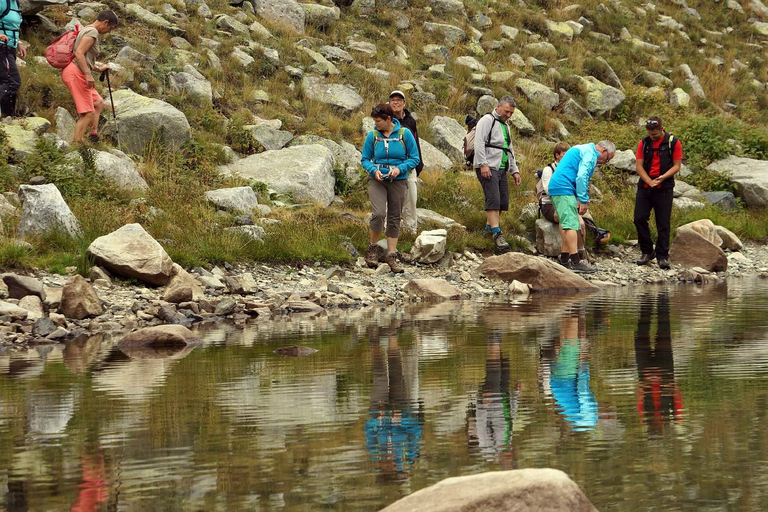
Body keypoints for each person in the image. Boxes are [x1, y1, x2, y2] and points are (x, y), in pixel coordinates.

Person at [361, 103, 420, 273]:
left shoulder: (405, 134)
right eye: (374, 120)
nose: (375, 124)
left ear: (389, 119)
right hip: (377, 179)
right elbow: (365, 159)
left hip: (399, 180)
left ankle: (391, 255)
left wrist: (399, 169)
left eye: (378, 121)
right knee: (379, 213)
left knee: (395, 217)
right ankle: (372, 249)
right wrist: (374, 170)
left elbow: (414, 158)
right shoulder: (372, 136)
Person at [547, 140, 615, 273]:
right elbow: (581, 177)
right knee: (571, 225)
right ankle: (576, 261)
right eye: (607, 159)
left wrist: (578, 198)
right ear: (604, 151)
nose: (604, 162)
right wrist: (583, 200)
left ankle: (565, 260)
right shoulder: (590, 154)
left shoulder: (583, 149)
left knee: (570, 222)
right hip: (563, 188)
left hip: (562, 188)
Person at [61, 10, 118, 144]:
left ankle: (93, 135)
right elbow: (79, 54)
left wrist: (98, 69)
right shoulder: (93, 32)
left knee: (98, 102)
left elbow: (85, 57)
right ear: (106, 22)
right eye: (111, 28)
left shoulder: (87, 29)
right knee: (87, 112)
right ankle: (77, 144)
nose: (109, 31)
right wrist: (88, 74)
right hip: (77, 73)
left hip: (74, 71)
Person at [474, 96, 522, 253]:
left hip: (501, 168)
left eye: (511, 113)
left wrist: (514, 170)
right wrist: (483, 164)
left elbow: (510, 149)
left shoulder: (505, 126)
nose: (508, 115)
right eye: (507, 111)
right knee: (493, 198)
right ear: (499, 106)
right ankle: (497, 233)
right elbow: (479, 142)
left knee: (502, 200)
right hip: (488, 166)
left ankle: (489, 228)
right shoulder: (487, 120)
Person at [634, 116, 683, 270]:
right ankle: (647, 251)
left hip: (664, 187)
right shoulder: (644, 143)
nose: (652, 136)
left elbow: (677, 165)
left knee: (663, 223)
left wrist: (663, 177)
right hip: (646, 186)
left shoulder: (673, 142)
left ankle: (662, 256)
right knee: (639, 218)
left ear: (662, 128)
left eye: (655, 133)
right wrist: (649, 181)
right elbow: (639, 166)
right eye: (650, 133)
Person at [388, 90, 424, 234]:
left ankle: (410, 232)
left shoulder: (410, 121)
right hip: (390, 167)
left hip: (409, 167)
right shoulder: (386, 120)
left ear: (404, 103)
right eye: (392, 100)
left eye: (399, 100)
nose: (395, 102)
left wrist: (419, 164)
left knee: (411, 201)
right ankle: (390, 231)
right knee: (391, 201)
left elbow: (416, 143)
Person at [0, 0, 25, 117]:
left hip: (11, 47)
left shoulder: (15, 3)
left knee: (5, 80)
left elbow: (13, 25)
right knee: (12, 81)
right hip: (2, 47)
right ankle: (7, 116)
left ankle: (7, 117)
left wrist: (19, 43)